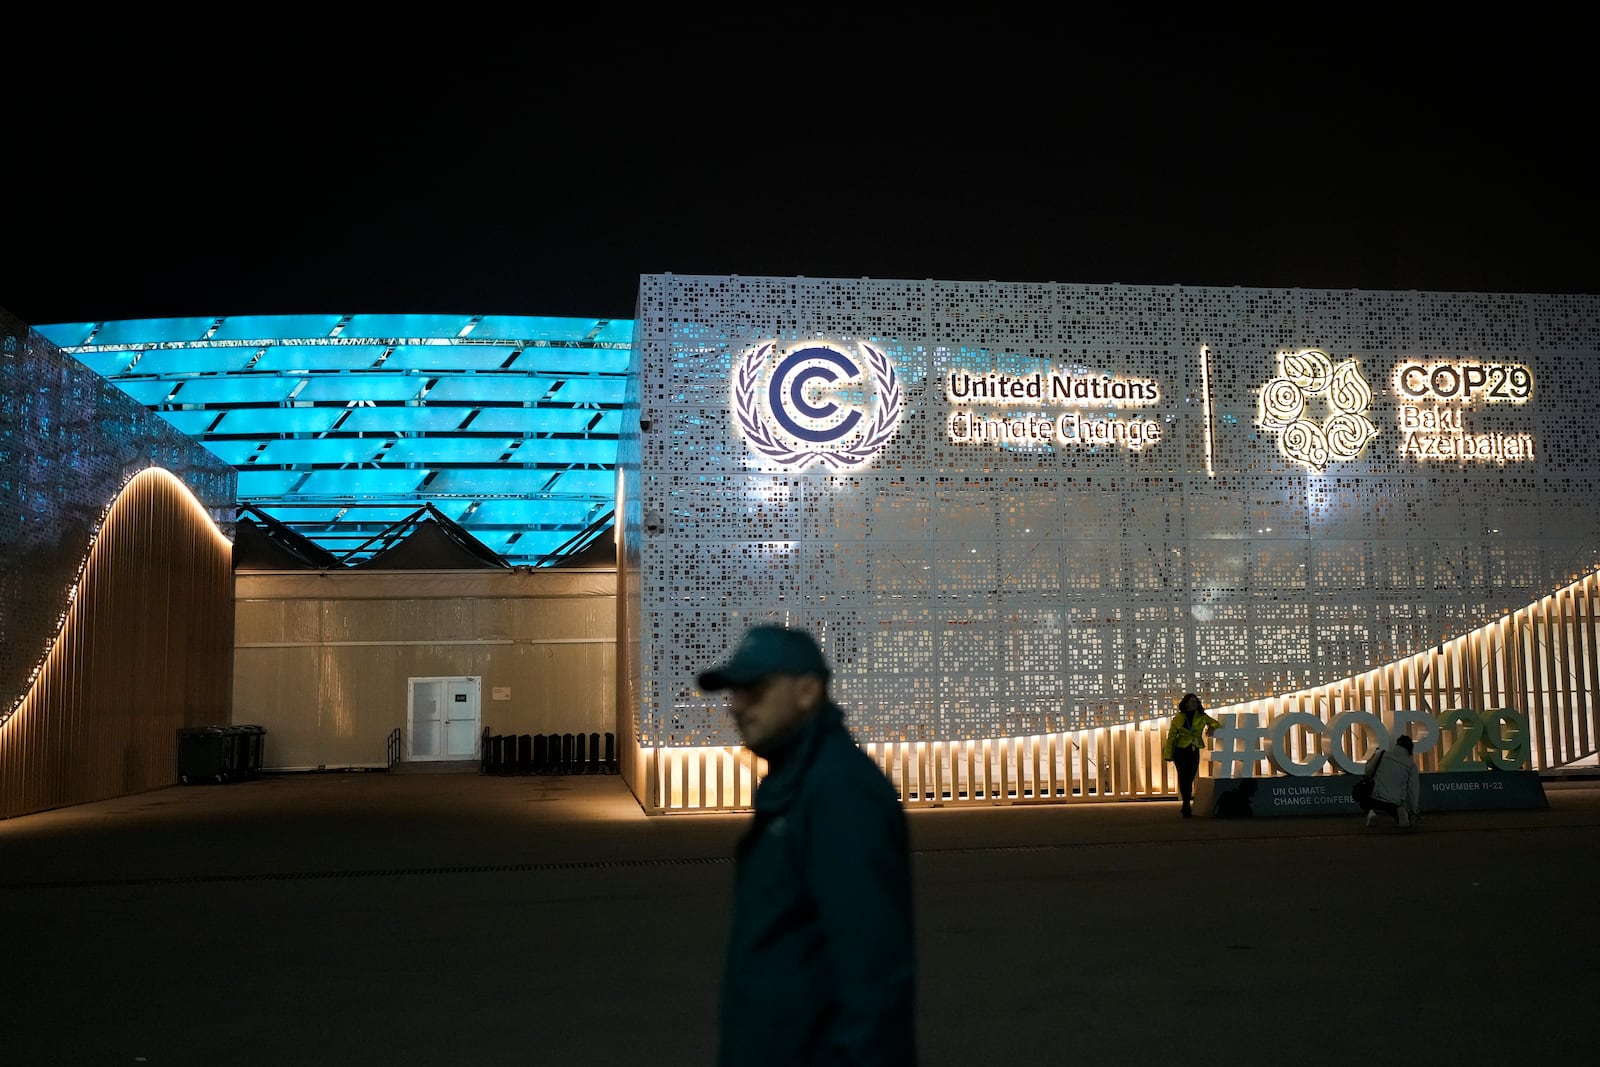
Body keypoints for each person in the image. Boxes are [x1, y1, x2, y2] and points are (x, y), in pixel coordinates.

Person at [698, 624, 917, 1067]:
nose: (737, 706)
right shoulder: (793, 782)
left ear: (807, 691)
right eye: (734, 691)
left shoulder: (840, 793)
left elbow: (873, 968)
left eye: (755, 689)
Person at [1163, 692, 1220, 818]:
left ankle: (1186, 802)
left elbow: (1216, 723)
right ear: (1186, 703)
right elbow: (1171, 737)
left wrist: (1211, 727)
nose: (1194, 703)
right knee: (1183, 777)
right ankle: (1186, 803)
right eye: (1192, 701)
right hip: (1180, 750)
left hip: (1193, 749)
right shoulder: (1178, 718)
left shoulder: (1201, 716)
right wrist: (1168, 754)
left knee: (1190, 776)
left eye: (1196, 701)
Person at [1363, 734, 1421, 828]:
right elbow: (1413, 789)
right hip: (1395, 801)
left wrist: (1369, 762)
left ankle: (1371, 812)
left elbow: (1368, 771)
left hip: (1375, 797)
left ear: (1397, 744)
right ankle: (1401, 813)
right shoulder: (1411, 765)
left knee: (1360, 794)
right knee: (1397, 809)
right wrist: (1414, 809)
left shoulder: (1381, 754)